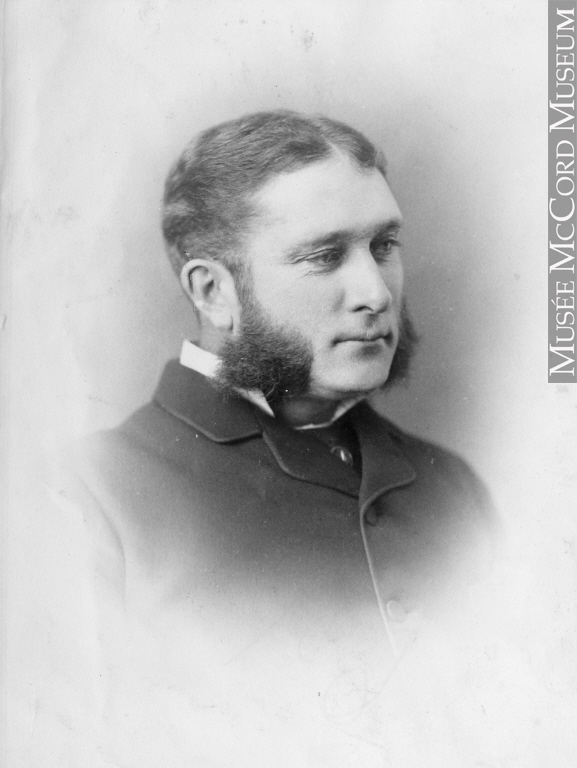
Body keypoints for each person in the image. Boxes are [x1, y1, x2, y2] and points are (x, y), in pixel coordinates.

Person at [63, 110, 498, 766]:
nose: (376, 294)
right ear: (214, 292)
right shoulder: (85, 493)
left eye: (384, 245)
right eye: (324, 256)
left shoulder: (454, 485)